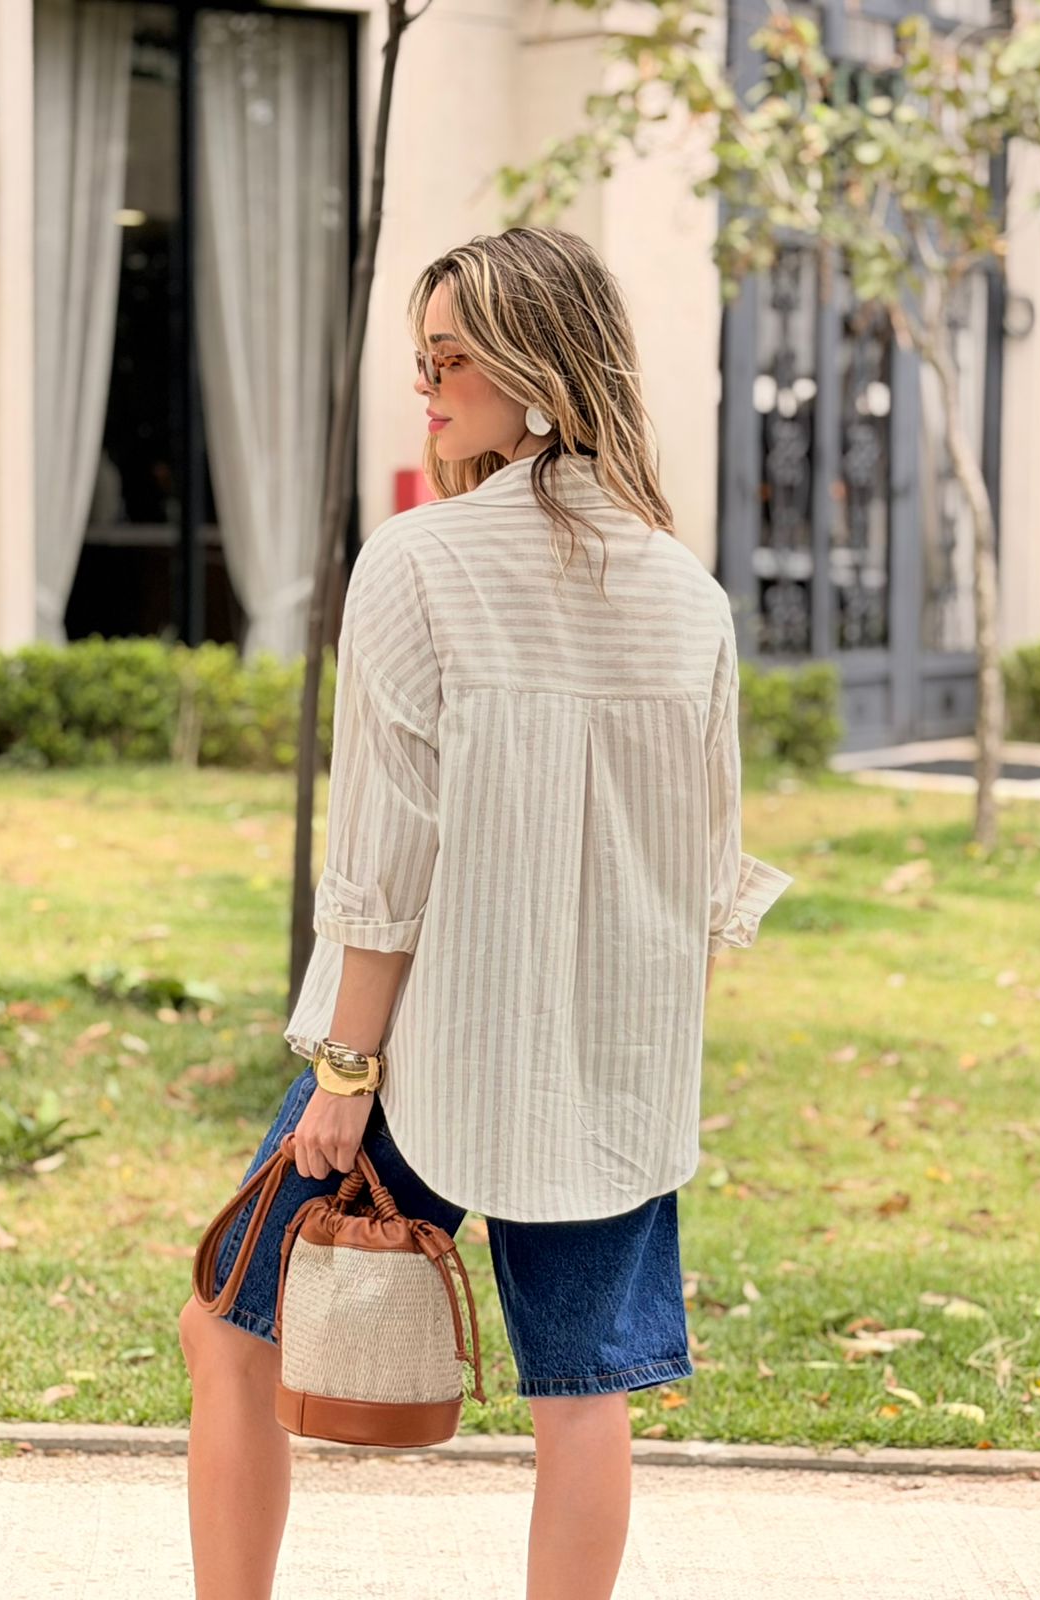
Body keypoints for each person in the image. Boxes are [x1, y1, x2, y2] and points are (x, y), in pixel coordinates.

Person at [177, 225, 794, 1600]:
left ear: (542, 372)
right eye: (423, 357)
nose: (426, 385)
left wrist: (346, 1073)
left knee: (228, 1330)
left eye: (451, 358)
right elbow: (706, 879)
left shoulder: (419, 563)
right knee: (582, 1396)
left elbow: (384, 863)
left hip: (421, 1058)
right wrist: (638, 1051)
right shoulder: (687, 594)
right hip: (609, 1071)